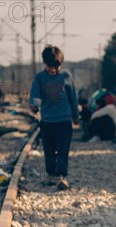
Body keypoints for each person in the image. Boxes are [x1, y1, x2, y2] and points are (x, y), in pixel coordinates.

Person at [29, 45, 79, 191]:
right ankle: (51, 174)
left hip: (64, 120)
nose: (53, 69)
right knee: (49, 150)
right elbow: (35, 95)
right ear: (45, 63)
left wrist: (75, 116)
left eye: (56, 66)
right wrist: (34, 106)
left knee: (63, 149)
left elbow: (73, 98)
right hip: (47, 121)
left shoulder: (66, 77)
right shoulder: (40, 78)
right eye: (51, 66)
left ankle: (61, 176)